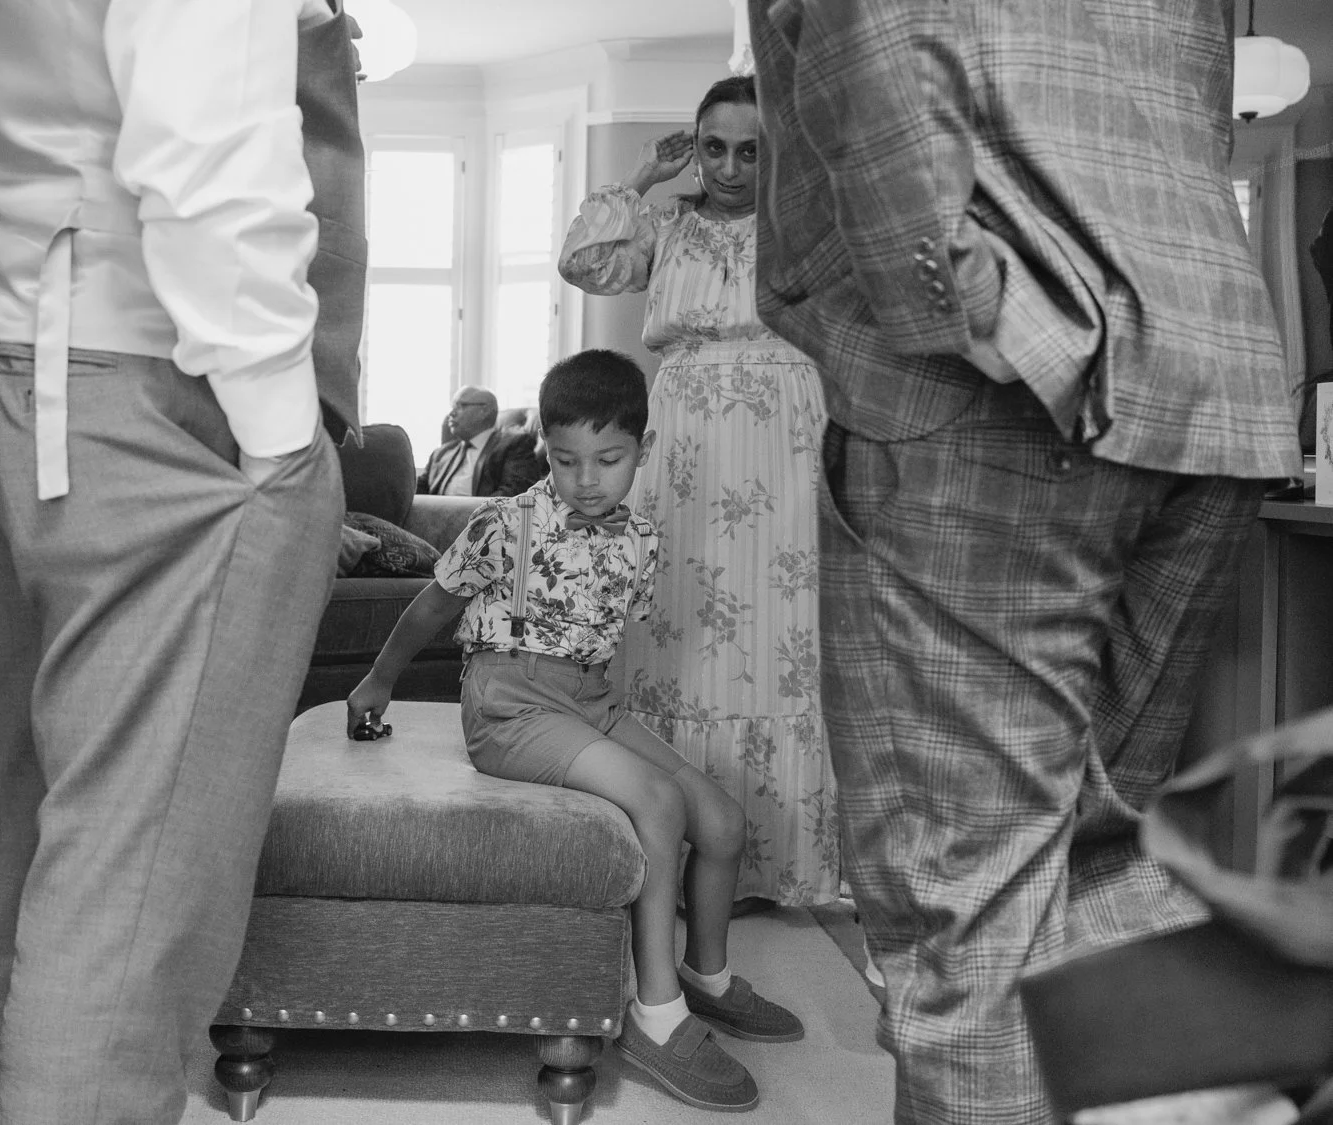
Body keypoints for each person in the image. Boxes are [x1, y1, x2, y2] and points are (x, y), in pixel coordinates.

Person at [748, 2, 1302, 1123]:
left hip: (1004, 396)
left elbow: (877, 42)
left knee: (974, 928)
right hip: (1207, 377)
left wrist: (995, 321)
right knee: (1088, 867)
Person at [0, 1, 363, 1121]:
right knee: (132, 883)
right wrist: (283, 425)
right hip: (130, 373)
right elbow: (202, 126)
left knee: (19, 837)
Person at [347, 349, 803, 1112]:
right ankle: (655, 1013)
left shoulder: (641, 538)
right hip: (510, 704)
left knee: (723, 819)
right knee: (658, 801)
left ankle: (707, 975)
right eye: (566, 460)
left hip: (590, 697)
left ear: (642, 450)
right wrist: (379, 679)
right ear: (545, 450)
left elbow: (599, 640)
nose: (587, 479)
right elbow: (433, 604)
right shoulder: (507, 524)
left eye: (608, 459)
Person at [558, 76, 838, 909]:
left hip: (785, 439)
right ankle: (679, 843)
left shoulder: (807, 231)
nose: (730, 167)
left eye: (751, 151)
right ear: (695, 145)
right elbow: (585, 261)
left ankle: (778, 860)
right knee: (679, 617)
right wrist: (643, 176)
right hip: (685, 444)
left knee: (779, 630)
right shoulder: (668, 228)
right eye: (714, 147)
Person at [416, 386, 545, 497]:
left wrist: (474, 513)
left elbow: (515, 492)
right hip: (433, 515)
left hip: (482, 516)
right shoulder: (440, 453)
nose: (451, 413)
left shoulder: (515, 445)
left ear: (484, 411)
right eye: (452, 407)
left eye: (460, 406)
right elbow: (417, 492)